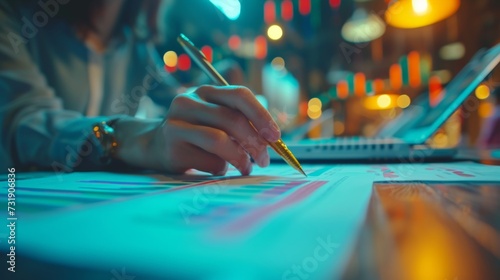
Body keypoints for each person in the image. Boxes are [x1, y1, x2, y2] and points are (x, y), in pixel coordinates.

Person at [0, 0, 280, 176]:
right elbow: (23, 122)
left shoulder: (136, 45)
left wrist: (217, 114)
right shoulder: (13, 15)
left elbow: (177, 101)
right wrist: (140, 139)